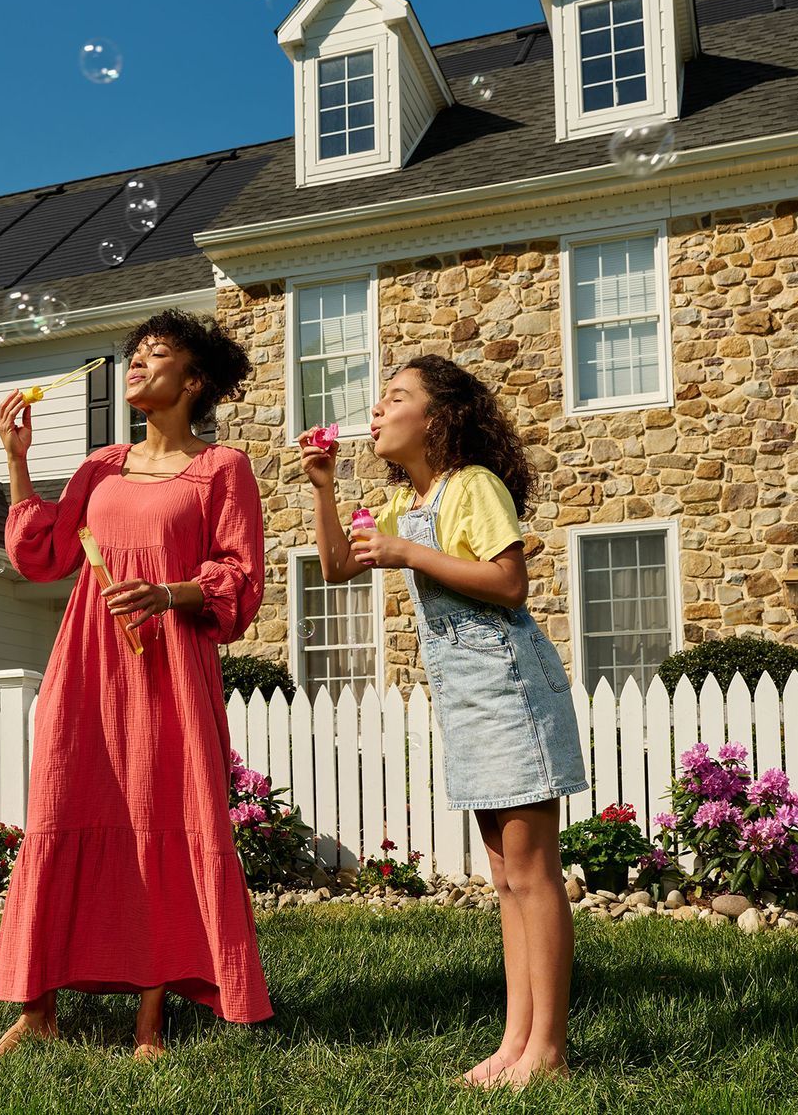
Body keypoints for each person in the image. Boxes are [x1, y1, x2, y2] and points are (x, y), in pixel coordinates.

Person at [0, 309, 271, 1060]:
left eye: (157, 352)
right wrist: (18, 461)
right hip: (88, 666)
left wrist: (170, 592)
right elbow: (42, 553)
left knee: (158, 822)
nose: (138, 363)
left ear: (194, 379)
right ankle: (37, 1006)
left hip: (167, 671)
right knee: (61, 805)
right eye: (134, 353)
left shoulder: (223, 469)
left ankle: (152, 1022)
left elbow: (240, 582)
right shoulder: (100, 466)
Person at [300, 355, 587, 1089]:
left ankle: (547, 1053)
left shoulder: (473, 486)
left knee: (533, 872)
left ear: (438, 418)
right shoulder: (406, 503)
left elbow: (509, 580)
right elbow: (336, 567)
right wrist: (325, 490)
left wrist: (407, 551)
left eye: (398, 396)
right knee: (504, 878)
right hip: (468, 697)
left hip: (509, 687)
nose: (378, 409)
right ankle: (515, 1040)